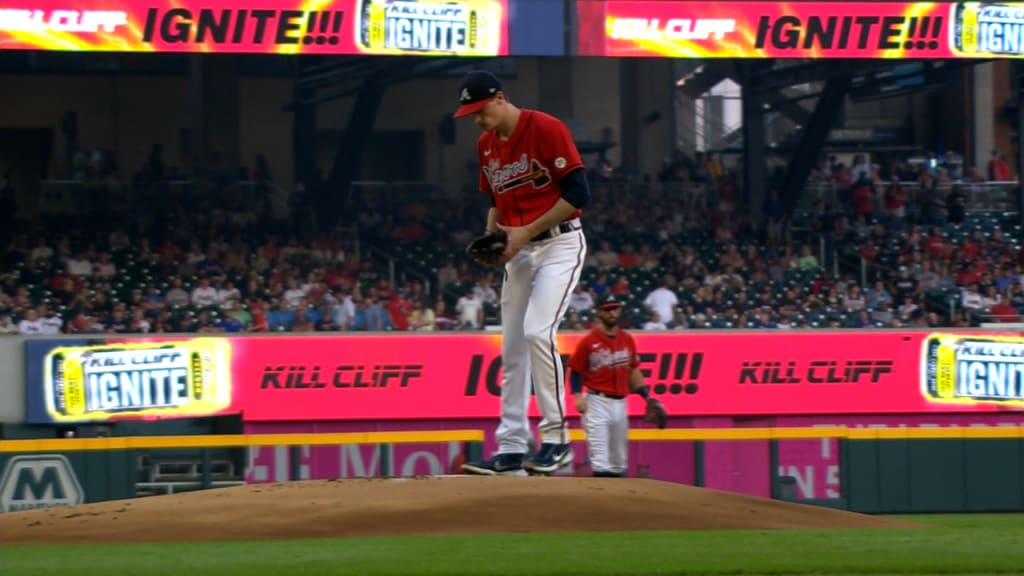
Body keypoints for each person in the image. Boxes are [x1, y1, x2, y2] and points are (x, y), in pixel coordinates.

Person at [453, 70, 590, 476]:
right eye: (471, 114)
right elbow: (496, 199)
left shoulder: (546, 127)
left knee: (537, 332)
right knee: (511, 348)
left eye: (480, 110)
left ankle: (556, 440)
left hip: (560, 245)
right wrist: (493, 236)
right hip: (518, 251)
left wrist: (524, 232)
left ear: (500, 97)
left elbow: (579, 194)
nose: (477, 120)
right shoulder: (486, 145)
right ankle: (511, 447)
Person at [567, 295, 652, 478]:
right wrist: (577, 395)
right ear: (598, 312)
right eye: (607, 309)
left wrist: (647, 397)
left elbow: (633, 370)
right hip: (597, 402)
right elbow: (575, 370)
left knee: (619, 462)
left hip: (621, 404)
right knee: (600, 461)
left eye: (615, 308)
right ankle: (600, 503)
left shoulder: (627, 339)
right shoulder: (588, 341)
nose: (612, 312)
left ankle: (616, 503)